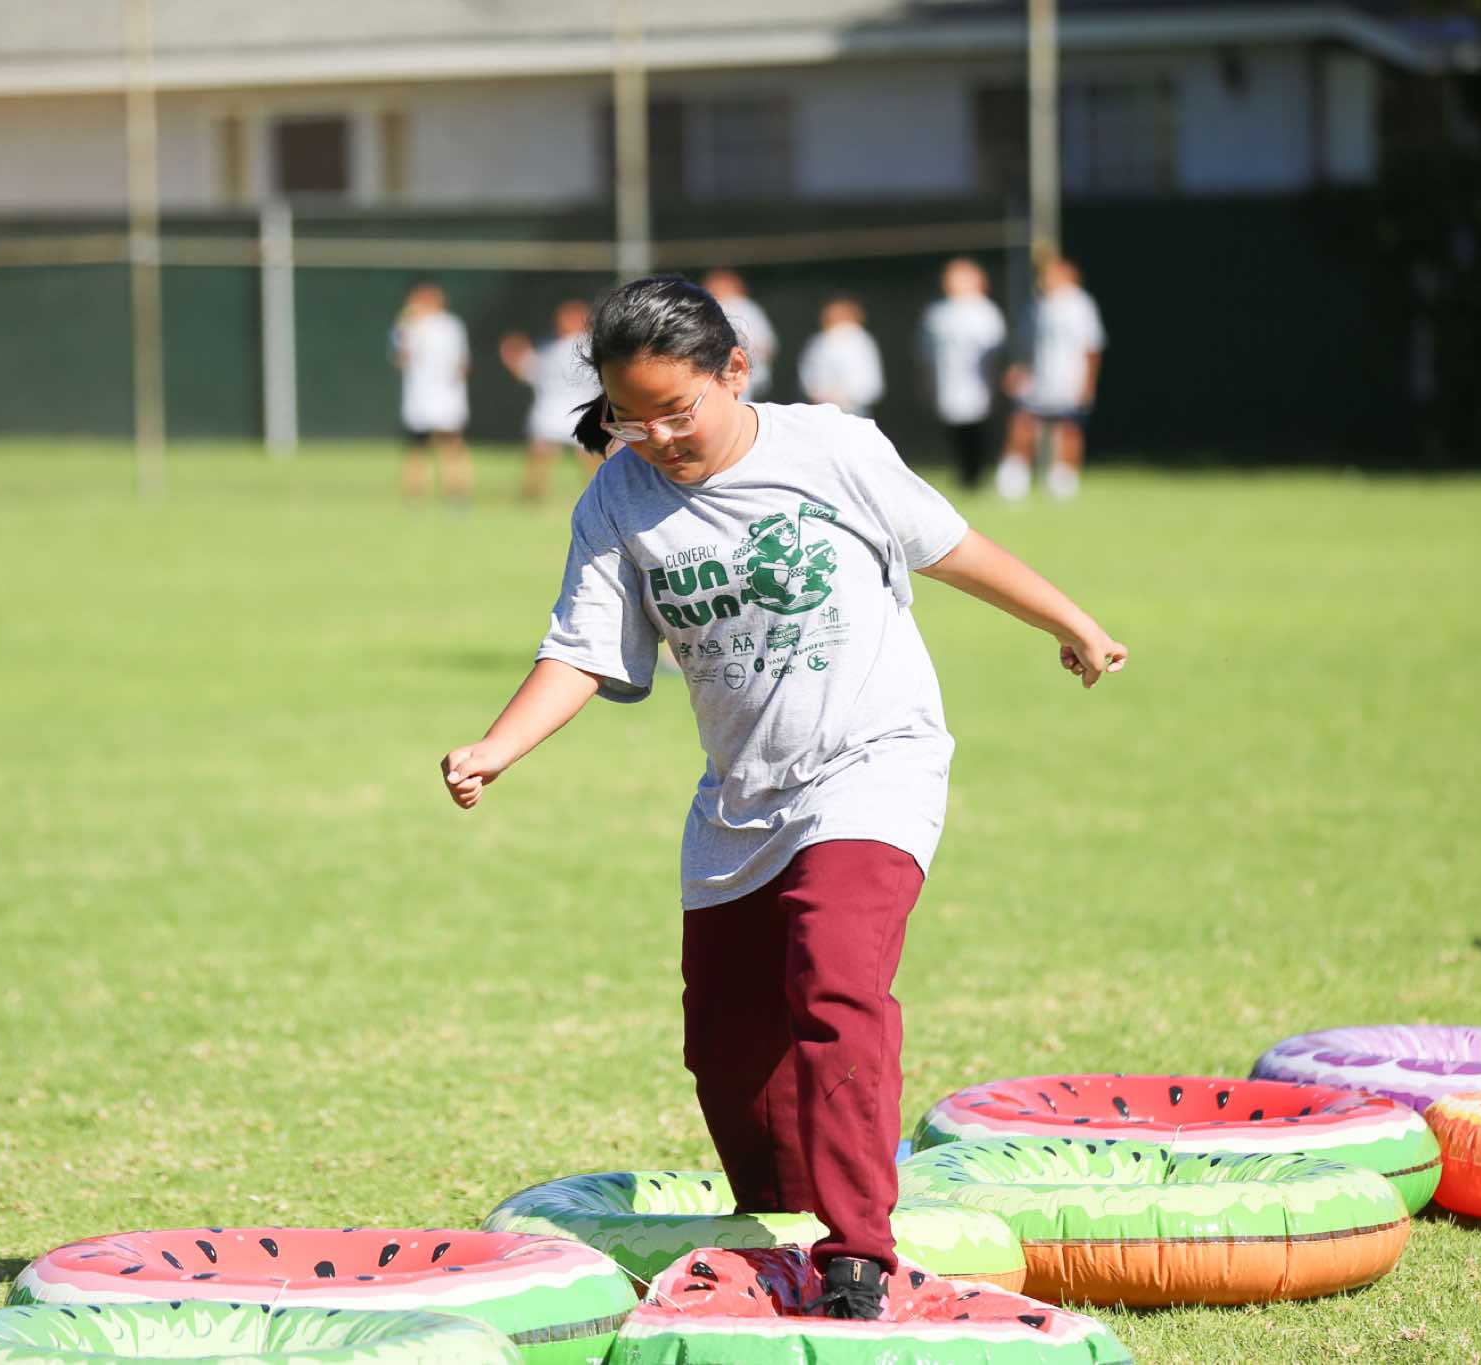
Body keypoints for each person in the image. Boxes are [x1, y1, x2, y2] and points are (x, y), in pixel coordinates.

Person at [438, 276, 1127, 1320]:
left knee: (835, 983)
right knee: (724, 1043)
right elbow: (580, 650)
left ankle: (856, 1254)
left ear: (734, 370)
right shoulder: (617, 498)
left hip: (873, 764)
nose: (659, 438)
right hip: (742, 798)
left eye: (678, 411)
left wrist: (1070, 621)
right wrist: (498, 745)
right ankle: (788, 1218)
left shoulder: (831, 449)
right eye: (632, 418)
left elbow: (951, 548)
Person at [1000, 255, 1105, 502]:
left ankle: (1063, 482)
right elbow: (1026, 346)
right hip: (1037, 381)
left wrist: (1087, 384)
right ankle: (1013, 481)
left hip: (1069, 380)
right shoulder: (1036, 306)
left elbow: (1092, 347)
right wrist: (1018, 370)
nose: (1045, 280)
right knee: (1023, 425)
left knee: (1068, 429)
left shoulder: (1080, 305)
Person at [499, 297, 601, 502]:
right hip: (550, 411)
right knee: (539, 459)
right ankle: (531, 499)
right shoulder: (551, 346)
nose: (563, 321)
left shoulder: (591, 348)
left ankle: (602, 497)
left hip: (581, 411)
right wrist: (514, 357)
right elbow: (532, 373)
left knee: (591, 462)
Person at [919, 257, 1006, 490]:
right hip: (948, 381)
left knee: (978, 429)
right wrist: (927, 380)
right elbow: (926, 353)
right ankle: (964, 474)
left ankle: (978, 474)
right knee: (954, 429)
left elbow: (995, 353)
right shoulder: (938, 314)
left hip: (978, 383)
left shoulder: (985, 312)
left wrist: (994, 380)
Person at [390, 281, 473, 503]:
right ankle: (414, 497)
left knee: (452, 447)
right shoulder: (407, 326)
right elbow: (400, 359)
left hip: (446, 397)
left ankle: (457, 495)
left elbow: (462, 363)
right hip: (419, 398)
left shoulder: (451, 326)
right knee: (416, 448)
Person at [797, 296, 885, 417]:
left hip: (852, 411)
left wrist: (844, 395)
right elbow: (807, 374)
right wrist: (817, 392)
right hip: (818, 410)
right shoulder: (818, 341)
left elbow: (869, 383)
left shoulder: (861, 341)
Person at [703, 268, 778, 400]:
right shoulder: (707, 308)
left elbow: (767, 345)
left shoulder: (746, 307)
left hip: (745, 374)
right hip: (715, 374)